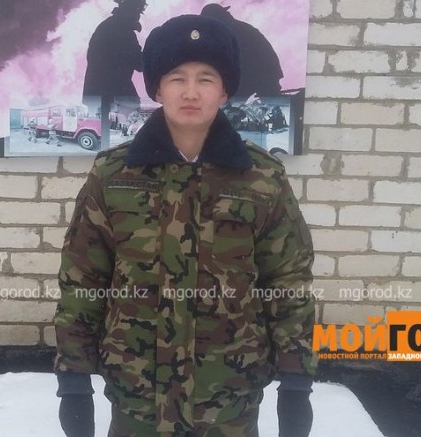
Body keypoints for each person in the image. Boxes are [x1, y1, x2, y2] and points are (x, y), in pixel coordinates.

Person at [55, 14, 316, 437]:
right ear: (157, 88)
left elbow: (287, 281)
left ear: (225, 89)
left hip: (228, 399)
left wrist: (296, 383)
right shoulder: (114, 175)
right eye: (177, 78)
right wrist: (73, 381)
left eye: (206, 79)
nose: (191, 92)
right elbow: (83, 279)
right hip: (137, 398)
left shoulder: (261, 178)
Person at [200, 3, 285, 98]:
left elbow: (240, 61)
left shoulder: (232, 32)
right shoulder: (235, 29)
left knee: (238, 100)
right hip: (261, 72)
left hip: (259, 73)